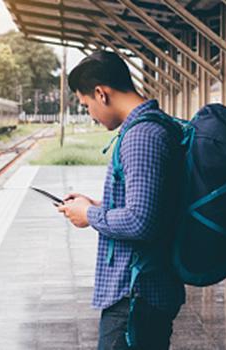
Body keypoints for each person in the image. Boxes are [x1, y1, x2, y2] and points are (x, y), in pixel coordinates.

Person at [56, 51, 185, 349]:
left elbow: (141, 221)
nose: (89, 113)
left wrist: (90, 215)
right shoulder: (152, 127)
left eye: (86, 105)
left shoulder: (142, 135)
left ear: (101, 94)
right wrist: (96, 206)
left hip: (136, 294)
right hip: (143, 290)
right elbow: (152, 205)